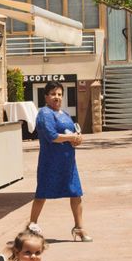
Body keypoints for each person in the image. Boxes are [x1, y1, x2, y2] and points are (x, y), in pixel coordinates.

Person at [30, 81, 92, 242]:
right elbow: (51, 136)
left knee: (76, 193)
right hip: (50, 162)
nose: (56, 97)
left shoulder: (64, 114)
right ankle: (31, 227)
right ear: (46, 96)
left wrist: (77, 139)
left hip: (68, 163)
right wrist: (71, 137)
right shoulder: (44, 113)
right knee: (41, 194)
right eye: (53, 94)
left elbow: (72, 132)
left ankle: (79, 228)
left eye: (59, 94)